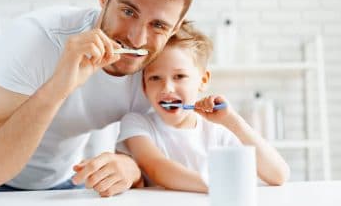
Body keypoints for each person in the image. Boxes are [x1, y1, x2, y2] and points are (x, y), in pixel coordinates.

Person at [0, 0, 196, 198]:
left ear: (175, 27)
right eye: (128, 11)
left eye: (158, 25)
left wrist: (132, 167)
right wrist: (58, 87)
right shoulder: (37, 39)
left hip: (67, 183)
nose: (137, 39)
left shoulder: (162, 73)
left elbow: (169, 158)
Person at [116, 22, 290, 192]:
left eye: (179, 76)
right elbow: (156, 167)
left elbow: (278, 175)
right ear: (144, 87)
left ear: (203, 80)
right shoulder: (137, 124)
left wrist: (232, 121)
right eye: (155, 78)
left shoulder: (218, 132)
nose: (167, 88)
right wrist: (217, 185)